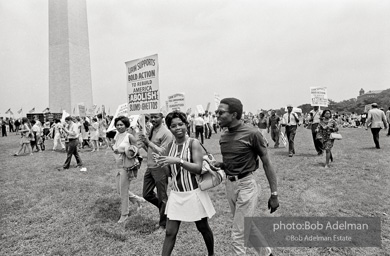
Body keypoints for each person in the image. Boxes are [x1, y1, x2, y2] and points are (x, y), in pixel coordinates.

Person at [211, 98, 279, 256]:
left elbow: (267, 163)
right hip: (230, 185)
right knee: (246, 226)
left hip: (247, 186)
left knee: (238, 236)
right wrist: (222, 165)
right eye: (216, 113)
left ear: (234, 114)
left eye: (221, 113)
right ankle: (267, 253)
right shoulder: (224, 136)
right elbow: (234, 160)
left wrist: (274, 194)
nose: (217, 116)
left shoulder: (252, 133)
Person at [156, 111, 215, 256]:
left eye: (180, 124)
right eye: (173, 126)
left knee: (202, 227)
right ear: (169, 128)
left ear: (187, 124)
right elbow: (169, 173)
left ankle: (211, 254)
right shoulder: (170, 146)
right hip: (176, 194)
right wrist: (162, 162)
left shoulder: (193, 143)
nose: (178, 128)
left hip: (193, 192)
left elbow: (198, 168)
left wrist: (179, 161)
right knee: (170, 232)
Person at [140, 113, 173, 232]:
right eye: (151, 117)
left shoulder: (166, 133)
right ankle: (166, 209)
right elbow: (149, 149)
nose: (153, 120)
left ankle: (163, 224)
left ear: (162, 117)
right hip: (150, 166)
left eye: (156, 117)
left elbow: (163, 152)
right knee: (146, 194)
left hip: (160, 167)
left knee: (162, 196)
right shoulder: (152, 130)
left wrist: (148, 142)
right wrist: (144, 142)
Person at [111, 116, 145, 223]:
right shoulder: (117, 136)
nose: (119, 126)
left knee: (124, 191)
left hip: (126, 167)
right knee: (119, 190)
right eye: (117, 125)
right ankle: (138, 200)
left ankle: (124, 214)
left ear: (126, 125)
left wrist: (124, 150)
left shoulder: (129, 136)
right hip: (118, 166)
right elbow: (115, 147)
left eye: (121, 124)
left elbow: (136, 150)